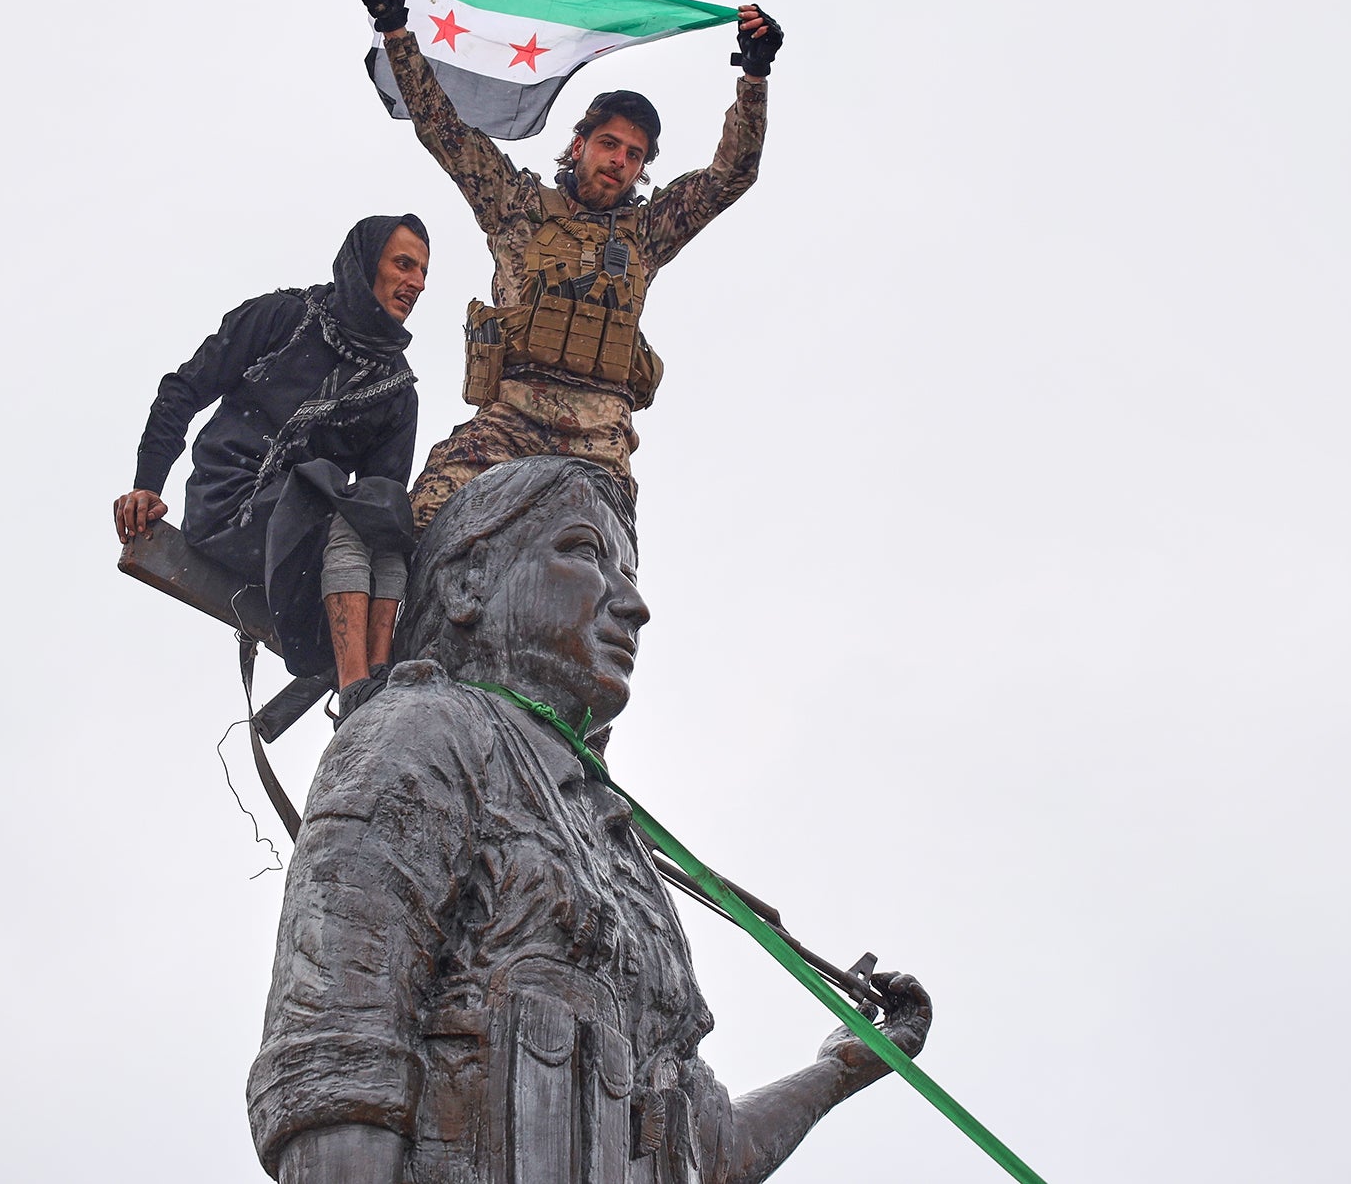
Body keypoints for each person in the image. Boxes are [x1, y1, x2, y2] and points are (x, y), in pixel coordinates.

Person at [247, 456, 932, 1184]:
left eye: (629, 573)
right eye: (584, 551)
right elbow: (333, 1068)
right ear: (466, 582)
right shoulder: (425, 733)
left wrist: (842, 1065)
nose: (632, 603)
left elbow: (701, 1148)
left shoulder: (617, 851)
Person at [358, 0, 785, 531]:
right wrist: (396, 32)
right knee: (425, 513)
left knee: (606, 571)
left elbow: (731, 175)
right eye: (609, 143)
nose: (620, 160)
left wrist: (753, 79)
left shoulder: (649, 232)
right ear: (579, 143)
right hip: (509, 418)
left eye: (634, 155)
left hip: (600, 441)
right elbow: (443, 128)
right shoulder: (515, 204)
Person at [114, 214, 428, 715]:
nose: (415, 283)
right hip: (228, 506)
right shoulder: (284, 317)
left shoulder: (396, 392)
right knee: (345, 511)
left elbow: (381, 502)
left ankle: (378, 680)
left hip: (305, 549)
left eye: (423, 275)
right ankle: (355, 689)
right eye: (404, 264)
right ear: (367, 264)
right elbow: (182, 391)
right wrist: (147, 484)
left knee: (388, 523)